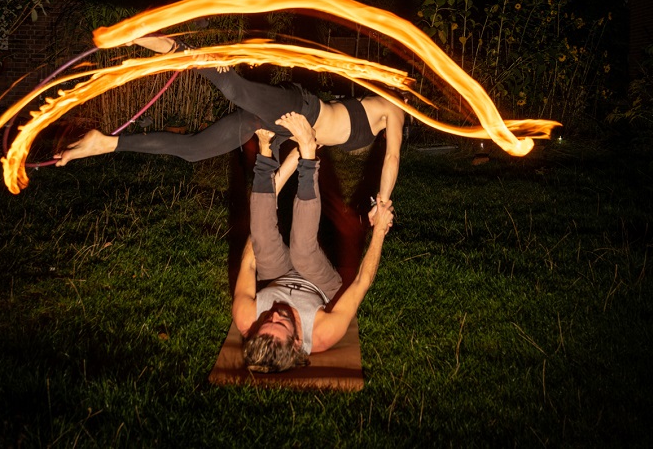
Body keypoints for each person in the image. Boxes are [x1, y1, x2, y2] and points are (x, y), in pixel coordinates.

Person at [54, 34, 406, 205]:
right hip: (300, 106)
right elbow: (391, 158)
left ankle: (107, 142)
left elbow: (308, 148)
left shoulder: (369, 112)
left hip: (289, 129)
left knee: (195, 151)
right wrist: (384, 200)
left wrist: (272, 190)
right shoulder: (393, 107)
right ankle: (156, 42)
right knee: (233, 88)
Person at [231, 111, 394, 372]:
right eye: (281, 323)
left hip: (278, 273)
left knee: (261, 239)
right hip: (319, 283)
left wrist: (278, 176)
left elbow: (250, 263)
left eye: (266, 321)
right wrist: (380, 231)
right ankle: (309, 155)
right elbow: (362, 282)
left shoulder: (246, 317)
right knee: (303, 252)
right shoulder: (322, 334)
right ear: (297, 342)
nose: (274, 313)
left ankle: (265, 149)